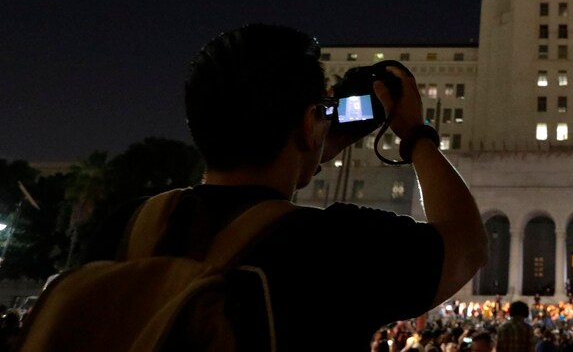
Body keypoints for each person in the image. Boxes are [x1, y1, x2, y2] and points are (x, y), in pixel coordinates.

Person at [81, 23, 488, 351]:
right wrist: (416, 136)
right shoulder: (334, 247)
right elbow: (467, 244)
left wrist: (311, 143)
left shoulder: (124, 228)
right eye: (322, 110)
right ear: (310, 122)